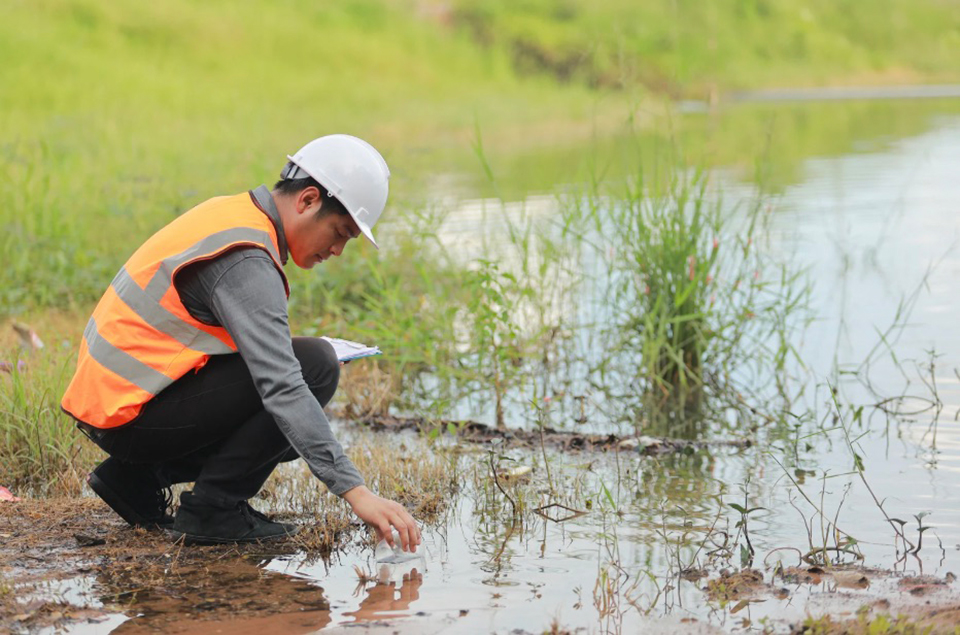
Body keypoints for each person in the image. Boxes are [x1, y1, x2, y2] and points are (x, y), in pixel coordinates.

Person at [61, 134, 420, 551]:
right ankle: (212, 511)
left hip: (118, 402)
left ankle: (136, 479)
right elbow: (282, 385)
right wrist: (358, 493)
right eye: (340, 232)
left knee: (301, 384)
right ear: (307, 201)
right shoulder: (247, 258)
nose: (338, 250)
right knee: (315, 368)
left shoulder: (233, 215)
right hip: (129, 415)